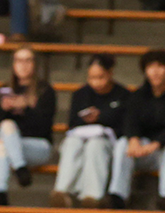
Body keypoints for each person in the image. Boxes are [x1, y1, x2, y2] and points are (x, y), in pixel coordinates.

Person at [108, 49, 165, 211]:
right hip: (147, 150)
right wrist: (134, 140)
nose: (155, 71)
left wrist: (155, 144)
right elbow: (130, 120)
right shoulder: (139, 94)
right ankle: (117, 195)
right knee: (122, 144)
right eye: (150, 67)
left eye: (160, 66)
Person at [50, 53, 127, 207]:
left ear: (110, 73)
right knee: (71, 143)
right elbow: (72, 123)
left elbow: (125, 127)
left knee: (95, 145)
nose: (96, 82)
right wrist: (86, 120)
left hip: (108, 141)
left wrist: (101, 118)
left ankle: (92, 196)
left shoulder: (123, 95)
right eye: (91, 78)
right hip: (80, 137)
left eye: (100, 77)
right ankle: (61, 191)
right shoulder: (80, 94)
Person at [0, 47, 56, 205]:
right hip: (14, 145)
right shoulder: (6, 89)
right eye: (19, 60)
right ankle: (13, 176)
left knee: (3, 141)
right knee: (3, 136)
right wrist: (4, 110)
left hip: (39, 146)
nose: (23, 65)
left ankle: (1, 191)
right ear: (13, 64)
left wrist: (27, 108)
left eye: (28, 60)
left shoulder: (45, 90)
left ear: (35, 64)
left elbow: (44, 128)